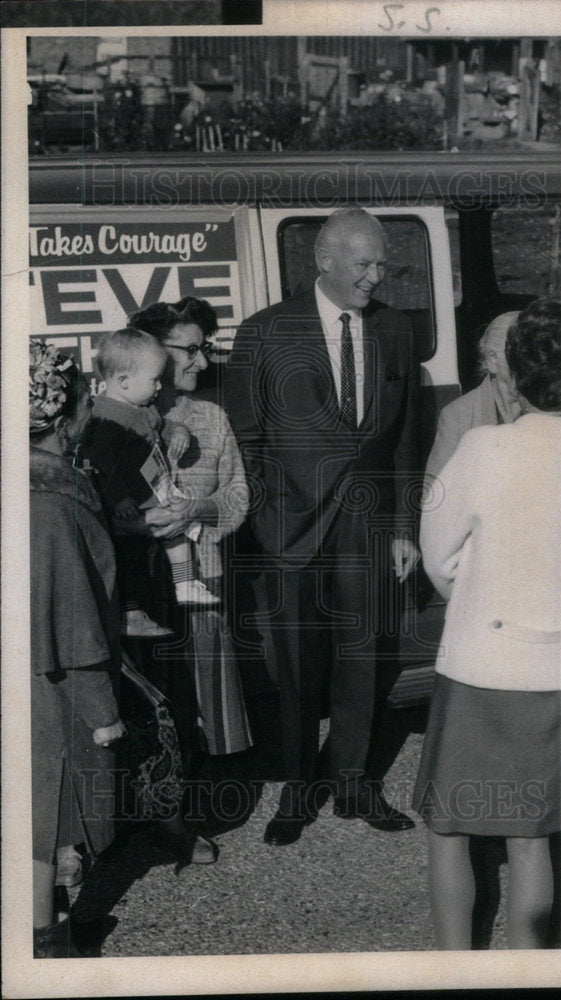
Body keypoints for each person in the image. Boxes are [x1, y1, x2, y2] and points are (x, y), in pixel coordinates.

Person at [223, 207, 420, 845]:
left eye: (382, 264)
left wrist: (403, 528)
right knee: (297, 665)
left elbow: (405, 441)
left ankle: (355, 782)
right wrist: (260, 522)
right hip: (289, 529)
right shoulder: (264, 333)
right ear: (325, 259)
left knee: (364, 655)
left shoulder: (394, 330)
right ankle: (299, 788)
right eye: (364, 264)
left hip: (367, 525)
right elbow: (245, 440)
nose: (375, 277)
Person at [413, 298, 561, 949]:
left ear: (511, 378)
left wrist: (476, 587)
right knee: (529, 838)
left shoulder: (481, 447)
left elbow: (437, 557)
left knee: (450, 831)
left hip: (482, 667)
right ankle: (532, 964)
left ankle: (455, 967)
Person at [29, 341, 126, 957]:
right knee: (46, 809)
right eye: (86, 399)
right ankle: (45, 940)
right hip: (52, 688)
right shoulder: (52, 506)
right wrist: (104, 714)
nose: (93, 408)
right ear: (64, 421)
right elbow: (77, 627)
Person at [125, 296, 253, 761]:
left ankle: (208, 786)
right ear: (153, 351)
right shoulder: (117, 419)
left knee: (205, 696)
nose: (202, 360)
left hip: (204, 578)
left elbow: (238, 494)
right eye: (191, 350)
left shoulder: (210, 418)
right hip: (141, 589)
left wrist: (196, 509)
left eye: (205, 348)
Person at [85, 327, 219, 639]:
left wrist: (178, 432)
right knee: (129, 560)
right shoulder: (105, 418)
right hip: (130, 504)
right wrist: (118, 500)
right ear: (123, 381)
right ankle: (131, 613)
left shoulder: (143, 408)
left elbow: (163, 425)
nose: (160, 386)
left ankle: (185, 584)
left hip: (155, 490)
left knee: (179, 533)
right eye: (154, 380)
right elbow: (102, 465)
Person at [425, 310, 521, 478]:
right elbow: (435, 493)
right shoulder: (457, 417)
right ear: (492, 360)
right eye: (521, 353)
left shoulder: (549, 407)